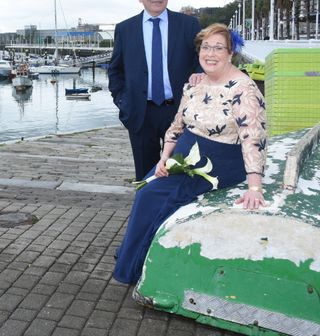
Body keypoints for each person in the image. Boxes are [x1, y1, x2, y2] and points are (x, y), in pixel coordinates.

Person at [113, 23, 267, 284]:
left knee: (155, 197)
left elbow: (254, 137)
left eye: (219, 48)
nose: (210, 53)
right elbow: (177, 125)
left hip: (220, 160)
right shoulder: (195, 84)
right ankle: (134, 250)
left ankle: (133, 265)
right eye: (205, 47)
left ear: (231, 53)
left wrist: (254, 187)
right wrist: (163, 159)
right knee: (145, 190)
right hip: (186, 150)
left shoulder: (243, 89)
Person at [108, 0, 201, 181]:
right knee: (146, 176)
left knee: (181, 171)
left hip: (179, 112)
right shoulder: (125, 29)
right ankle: (148, 212)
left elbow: (202, 61)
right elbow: (115, 70)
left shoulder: (188, 25)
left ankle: (177, 212)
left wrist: (198, 75)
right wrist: (123, 102)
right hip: (141, 114)